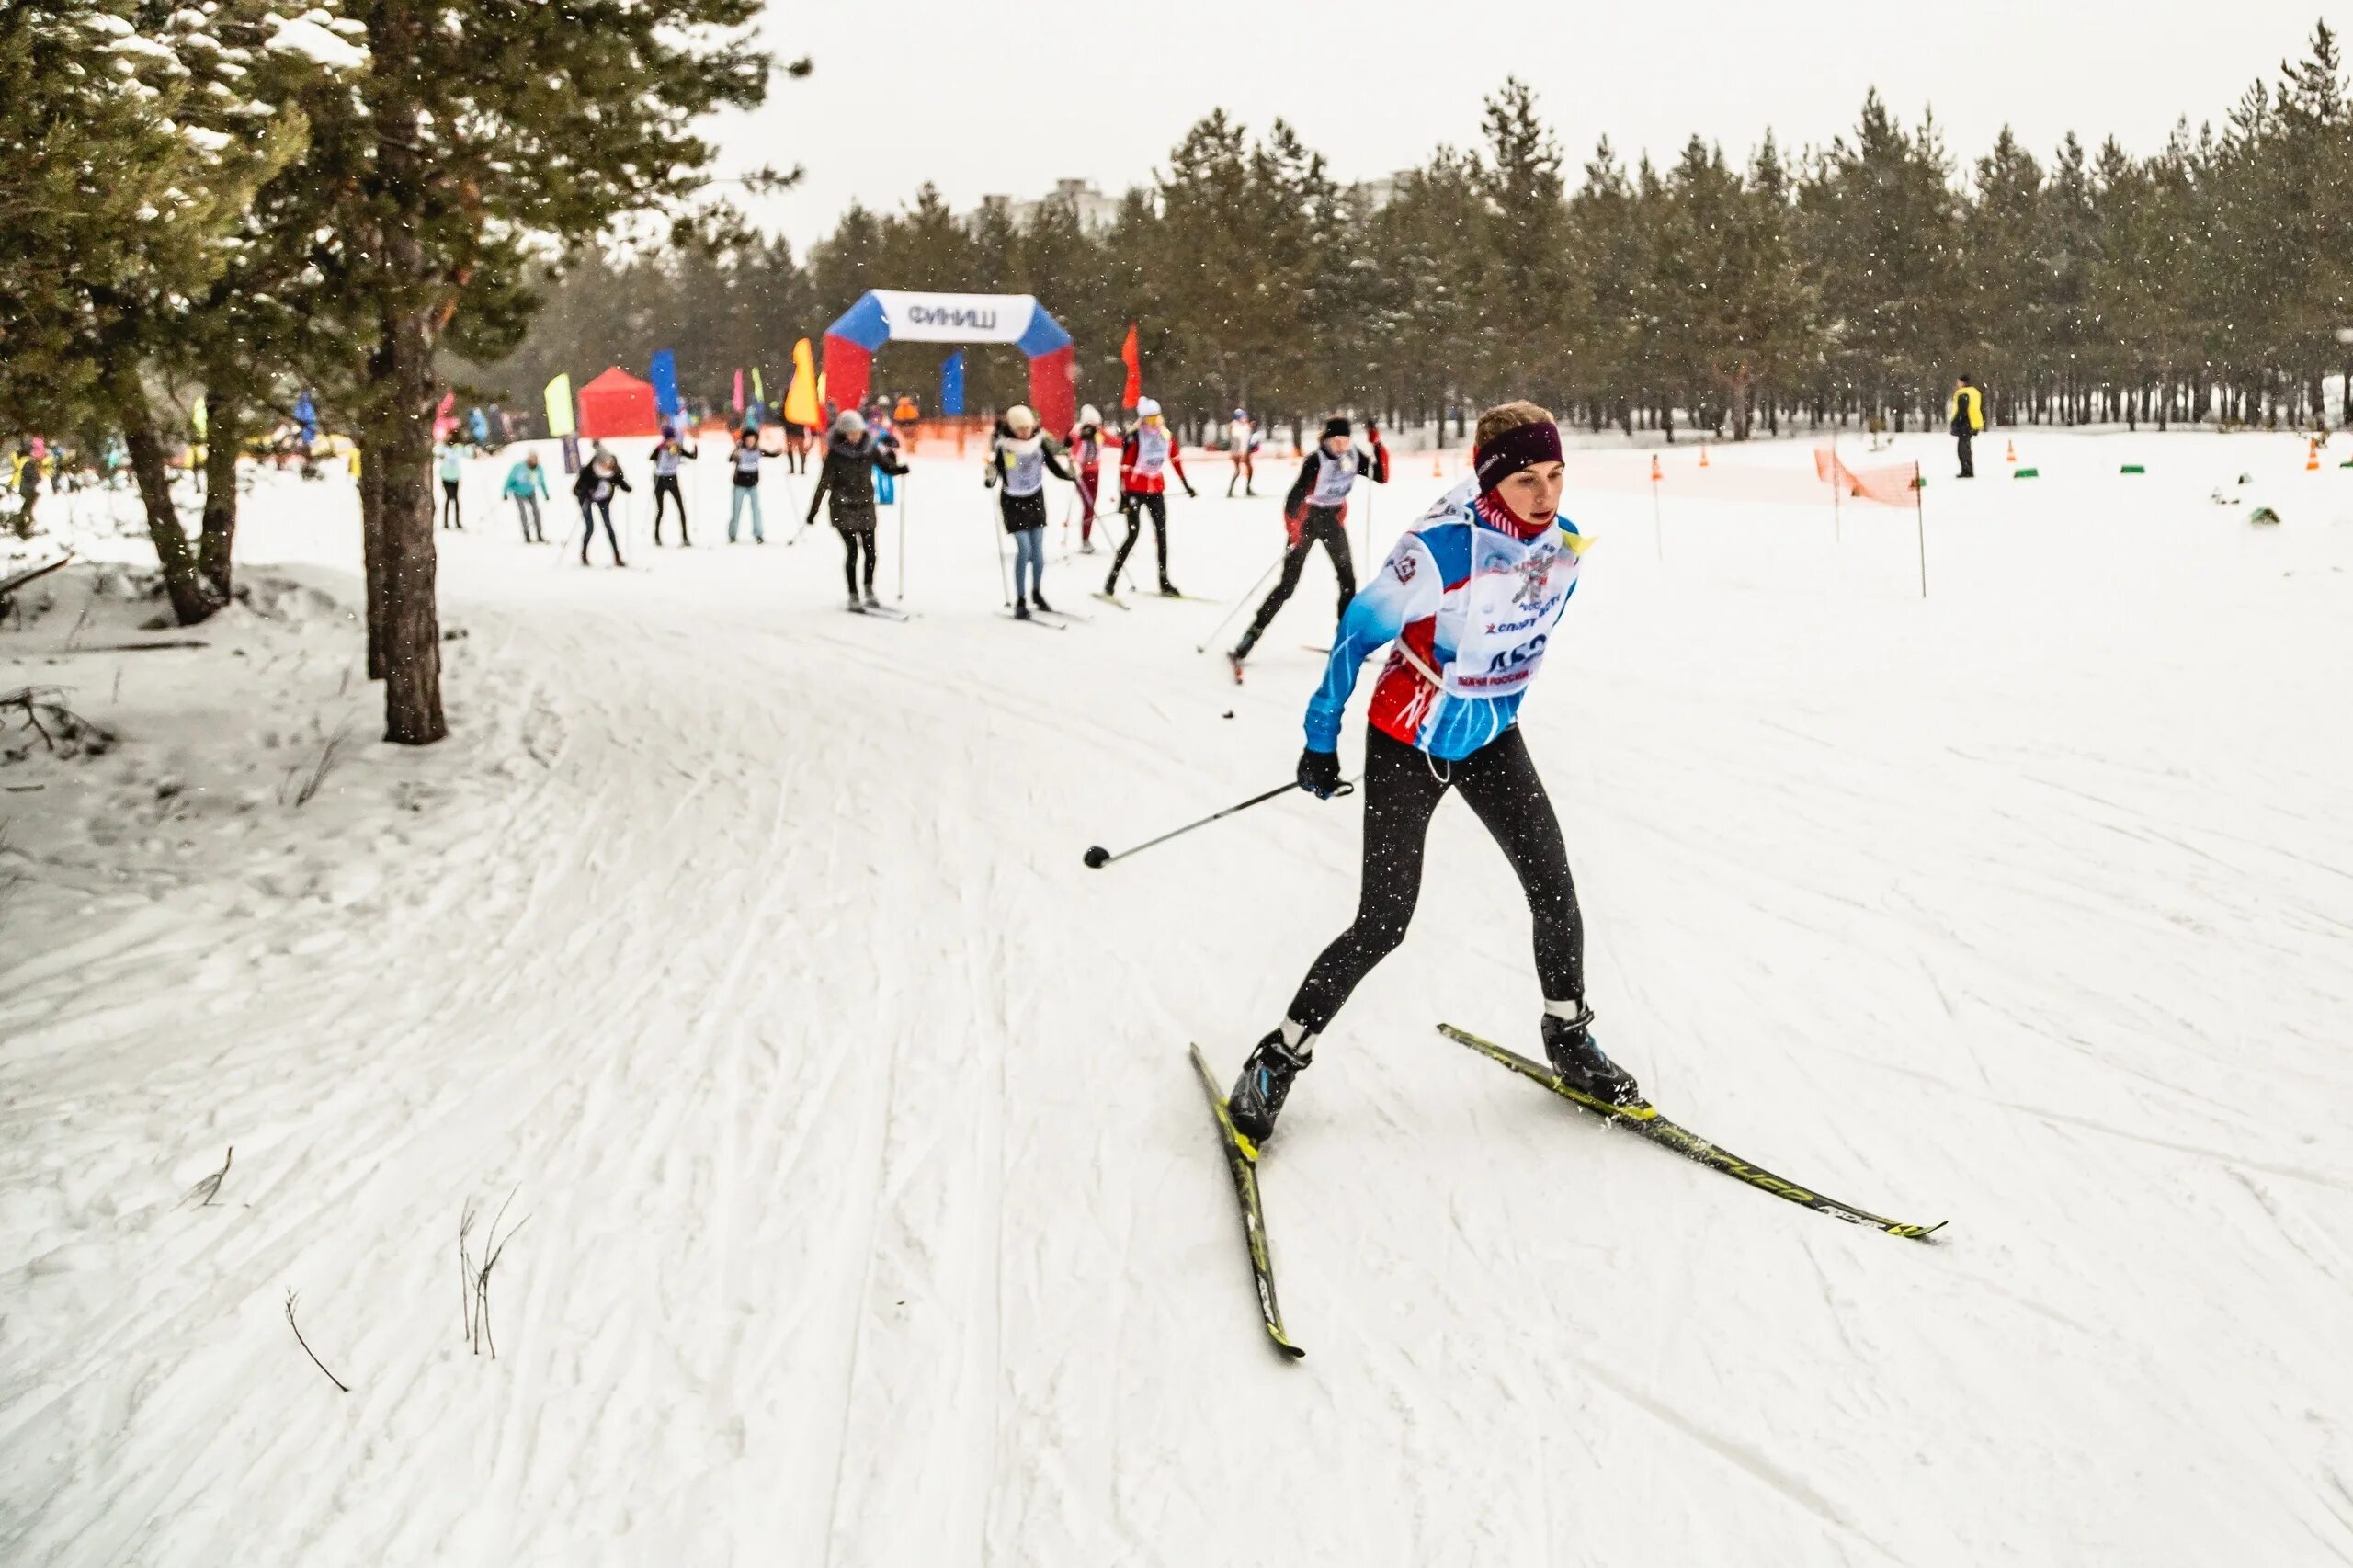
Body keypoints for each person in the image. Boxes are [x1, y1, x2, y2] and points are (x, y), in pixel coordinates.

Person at [1222, 400, 1634, 1142]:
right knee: (1383, 923)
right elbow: (1354, 637)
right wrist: (1322, 739)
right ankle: (1277, 1057)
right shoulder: (1441, 550)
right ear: (1488, 483)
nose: (1546, 497)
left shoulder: (1566, 546)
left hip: (1489, 739)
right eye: (1526, 482)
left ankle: (1568, 1036)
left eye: (1556, 476)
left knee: (1554, 887)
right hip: (1406, 743)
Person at [1230, 416, 1391, 675]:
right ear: (1325, 439)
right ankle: (1251, 636)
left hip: (1333, 521)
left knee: (1348, 581)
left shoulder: (1352, 455)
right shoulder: (1316, 461)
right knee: (1287, 585)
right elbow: (1293, 499)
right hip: (1307, 521)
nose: (1339, 446)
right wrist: (1293, 531)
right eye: (1334, 440)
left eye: (1344, 440)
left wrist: (1377, 443)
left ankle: (1344, 640)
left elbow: (1381, 476)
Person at [806, 409, 907, 610]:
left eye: (858, 432)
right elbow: (823, 483)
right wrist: (813, 511)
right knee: (853, 552)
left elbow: (885, 466)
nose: (855, 437)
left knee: (871, 552)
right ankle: (853, 594)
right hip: (842, 507)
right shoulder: (835, 454)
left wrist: (899, 469)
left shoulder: (869, 448)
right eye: (851, 433)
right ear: (843, 433)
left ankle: (869, 590)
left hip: (865, 506)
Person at [986, 404, 1074, 619]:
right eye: (1020, 429)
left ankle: (1037, 593)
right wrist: (989, 476)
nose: (1025, 432)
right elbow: (994, 475)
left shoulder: (1039, 443)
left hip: (1035, 499)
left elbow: (1054, 467)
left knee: (1038, 551)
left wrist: (1070, 474)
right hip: (1013, 502)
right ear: (1013, 428)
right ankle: (1021, 599)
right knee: (1024, 549)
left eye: (1028, 428)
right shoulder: (1004, 447)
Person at [1105, 396, 1194, 597]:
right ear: (1142, 419)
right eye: (1150, 419)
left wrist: (1187, 485)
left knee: (1162, 535)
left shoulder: (1165, 435)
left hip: (1156, 491)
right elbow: (1125, 468)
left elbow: (1175, 460)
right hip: (1135, 491)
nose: (1155, 422)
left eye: (1157, 418)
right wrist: (1124, 498)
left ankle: (1164, 581)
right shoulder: (1134, 437)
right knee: (1133, 535)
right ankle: (1112, 580)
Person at [572, 445, 631, 566]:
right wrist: (585, 491)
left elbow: (620, 481)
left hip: (603, 499)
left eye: (609, 462)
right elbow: (577, 489)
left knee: (609, 526)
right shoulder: (589, 470)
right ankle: (584, 556)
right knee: (590, 528)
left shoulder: (614, 469)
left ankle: (617, 557)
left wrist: (627, 488)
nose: (607, 465)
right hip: (586, 499)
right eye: (604, 462)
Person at [1066, 404, 1109, 551]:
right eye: (1093, 424)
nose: (1096, 427)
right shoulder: (1078, 434)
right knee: (1088, 505)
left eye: (1097, 424)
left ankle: (1086, 538)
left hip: (1095, 473)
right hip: (1081, 474)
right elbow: (1069, 447)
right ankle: (1085, 539)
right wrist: (1071, 461)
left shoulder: (1099, 434)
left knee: (1091, 506)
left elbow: (1116, 441)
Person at [648, 429, 698, 546]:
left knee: (681, 508)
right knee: (660, 510)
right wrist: (660, 450)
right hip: (660, 480)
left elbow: (692, 456)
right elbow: (651, 458)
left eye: (673, 439)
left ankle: (685, 537)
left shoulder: (678, 448)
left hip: (672, 479)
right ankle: (656, 537)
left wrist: (696, 449)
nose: (671, 442)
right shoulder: (660, 448)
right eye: (669, 440)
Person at [503, 450, 551, 542]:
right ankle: (526, 534)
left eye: (536, 459)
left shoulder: (538, 469)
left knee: (536, 511)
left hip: (531, 492)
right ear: (528, 459)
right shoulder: (519, 467)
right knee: (523, 513)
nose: (534, 461)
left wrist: (546, 493)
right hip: (518, 492)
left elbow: (542, 482)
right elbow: (509, 479)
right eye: (532, 458)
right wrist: (505, 492)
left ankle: (539, 534)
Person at [727, 427, 765, 542]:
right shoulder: (740, 450)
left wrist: (778, 452)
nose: (750, 442)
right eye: (748, 440)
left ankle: (758, 533)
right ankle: (732, 534)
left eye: (752, 440)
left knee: (756, 510)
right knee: (736, 510)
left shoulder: (757, 451)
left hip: (753, 485)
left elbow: (769, 454)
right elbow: (730, 459)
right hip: (740, 485)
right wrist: (735, 455)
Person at [1949, 375, 1984, 478]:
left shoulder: (1963, 394)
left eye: (1959, 382)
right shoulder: (1974, 392)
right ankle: (1968, 469)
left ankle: (1967, 471)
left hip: (1965, 423)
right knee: (1966, 447)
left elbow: (1962, 411)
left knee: (1962, 449)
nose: (1957, 384)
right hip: (1973, 422)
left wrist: (1955, 423)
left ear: (1963, 383)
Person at [1225, 407, 1259, 498]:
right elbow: (1243, 441)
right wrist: (1243, 453)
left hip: (1237, 451)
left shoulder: (1236, 426)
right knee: (1241, 470)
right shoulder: (1240, 428)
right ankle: (1242, 489)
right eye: (1243, 417)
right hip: (1240, 452)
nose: (1245, 419)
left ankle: (1232, 490)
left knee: (1243, 469)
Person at [435, 439, 465, 529]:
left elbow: (467, 451)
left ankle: (457, 522)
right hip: (446, 478)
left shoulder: (457, 448)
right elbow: (436, 452)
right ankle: (446, 523)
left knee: (455, 499)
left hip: (455, 478)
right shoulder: (443, 449)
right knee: (448, 499)